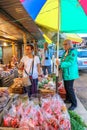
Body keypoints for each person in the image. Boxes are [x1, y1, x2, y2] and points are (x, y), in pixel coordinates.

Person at [56, 39, 79, 110]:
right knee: (66, 88)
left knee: (69, 89)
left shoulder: (73, 52)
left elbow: (70, 62)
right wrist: (59, 64)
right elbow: (62, 60)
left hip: (70, 74)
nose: (64, 46)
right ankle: (68, 99)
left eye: (66, 44)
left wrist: (61, 64)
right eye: (64, 44)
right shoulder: (65, 52)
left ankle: (74, 104)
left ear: (70, 44)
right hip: (66, 73)